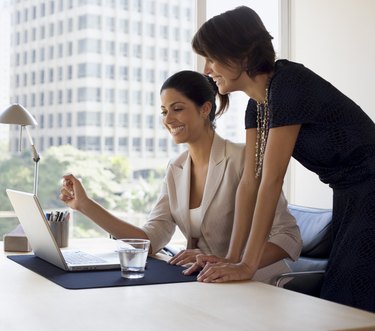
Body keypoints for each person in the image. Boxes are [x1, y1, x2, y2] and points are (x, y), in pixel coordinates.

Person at [185, 5, 375, 312]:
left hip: (370, 190)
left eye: (211, 57)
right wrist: (233, 258)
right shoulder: (256, 107)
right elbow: (250, 182)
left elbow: (271, 182)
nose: (207, 69)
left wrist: (248, 265)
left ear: (241, 55)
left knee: (350, 299)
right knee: (344, 299)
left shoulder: (288, 84)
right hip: (351, 195)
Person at [59, 70, 302, 285]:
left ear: (205, 109)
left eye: (177, 109)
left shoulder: (242, 158)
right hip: (208, 283)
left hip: (260, 284)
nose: (168, 119)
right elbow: (150, 239)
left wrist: (232, 261)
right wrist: (85, 205)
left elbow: (288, 237)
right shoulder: (176, 168)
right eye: (164, 111)